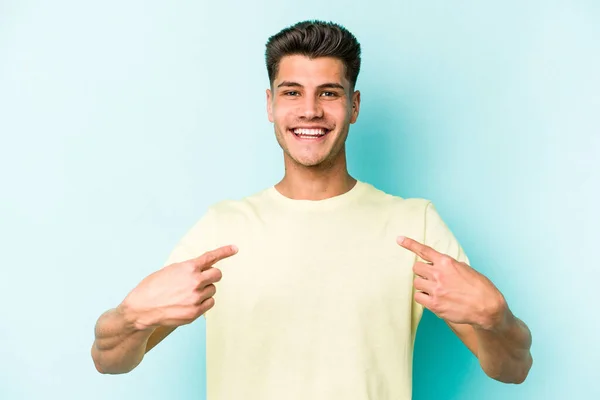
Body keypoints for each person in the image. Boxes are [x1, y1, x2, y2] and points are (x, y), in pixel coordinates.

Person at [91, 20, 533, 399]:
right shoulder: (221, 229)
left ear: (353, 106)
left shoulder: (413, 224)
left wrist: (498, 318)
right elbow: (109, 361)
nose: (309, 110)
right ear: (270, 105)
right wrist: (131, 318)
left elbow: (513, 368)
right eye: (291, 92)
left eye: (328, 93)